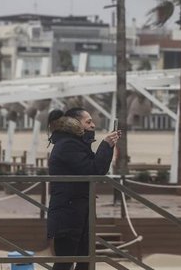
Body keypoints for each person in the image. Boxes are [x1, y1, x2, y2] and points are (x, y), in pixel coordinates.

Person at [46, 107, 120, 270]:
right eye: (88, 122)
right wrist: (106, 144)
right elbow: (93, 170)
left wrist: (107, 146)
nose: (93, 125)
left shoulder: (76, 144)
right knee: (65, 263)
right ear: (75, 123)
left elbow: (97, 169)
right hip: (68, 215)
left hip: (77, 213)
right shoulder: (68, 145)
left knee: (84, 261)